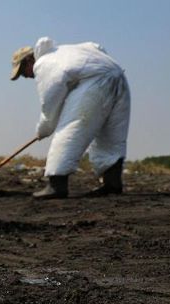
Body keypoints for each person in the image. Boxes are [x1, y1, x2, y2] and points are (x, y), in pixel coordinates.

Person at [11, 37, 130, 199]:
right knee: (111, 136)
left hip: (96, 83)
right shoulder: (64, 51)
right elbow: (98, 48)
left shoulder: (44, 63)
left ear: (29, 61)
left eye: (22, 72)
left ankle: (56, 185)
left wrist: (42, 130)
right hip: (118, 76)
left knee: (68, 131)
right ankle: (112, 183)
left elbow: (50, 106)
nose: (25, 76)